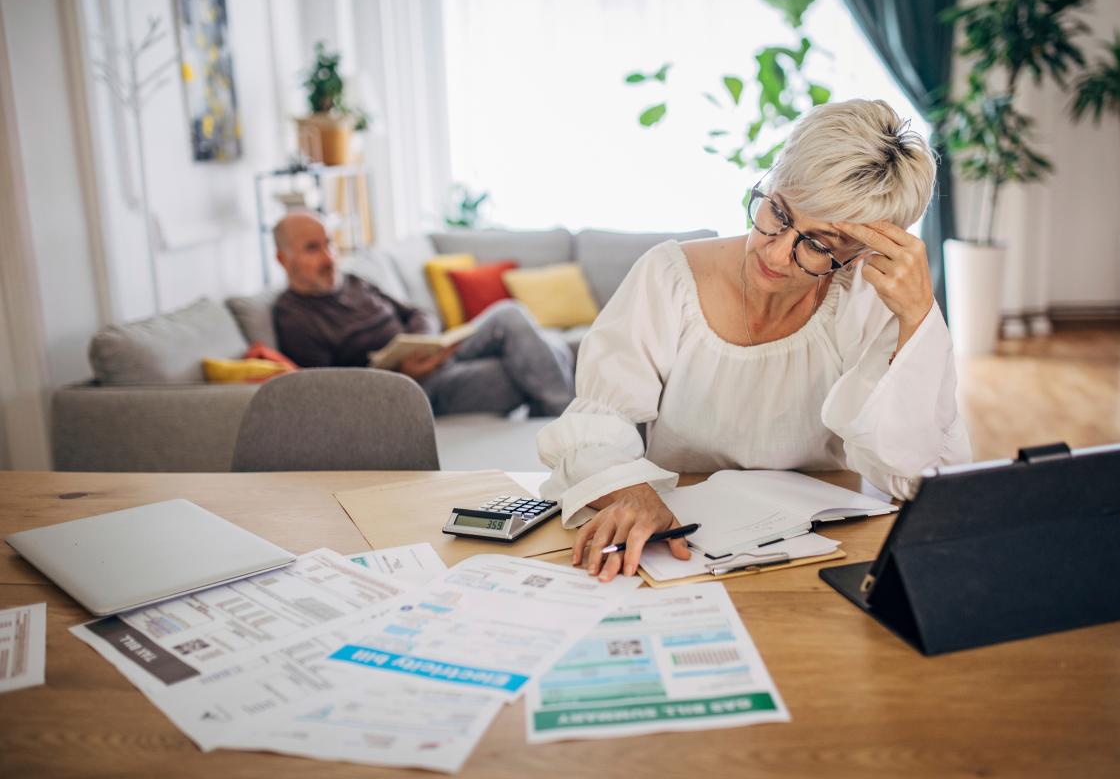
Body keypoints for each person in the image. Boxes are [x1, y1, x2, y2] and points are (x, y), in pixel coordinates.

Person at [537, 99, 973, 581]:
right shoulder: (669, 277)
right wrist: (629, 491)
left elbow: (912, 475)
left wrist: (916, 319)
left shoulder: (867, 302)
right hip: (678, 545)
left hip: (824, 552)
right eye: (779, 213)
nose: (778, 252)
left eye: (818, 244)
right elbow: (599, 420)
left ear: (860, 254)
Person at [271, 211, 575, 416]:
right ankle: (569, 423)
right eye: (313, 248)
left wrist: (424, 343)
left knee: (510, 314)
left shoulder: (353, 282)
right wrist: (402, 372)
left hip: (435, 353)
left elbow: (417, 312)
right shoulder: (294, 317)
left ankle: (562, 415)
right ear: (283, 259)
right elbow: (333, 393)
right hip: (414, 388)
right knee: (538, 359)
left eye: (330, 244)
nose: (329, 258)